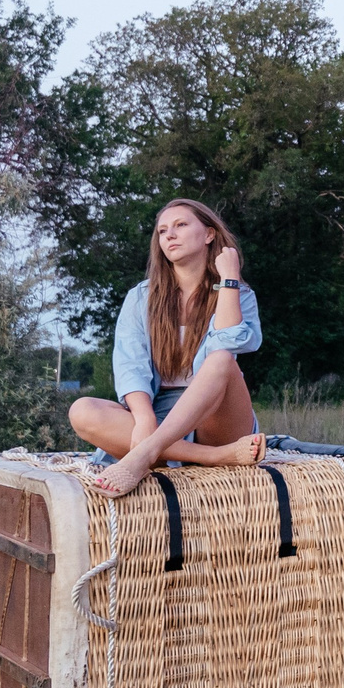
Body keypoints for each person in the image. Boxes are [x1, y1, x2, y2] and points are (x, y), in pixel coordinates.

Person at [69, 198, 267, 498]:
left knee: (222, 359)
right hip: (158, 412)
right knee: (82, 410)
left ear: (209, 234)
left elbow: (230, 342)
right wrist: (144, 419)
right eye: (162, 231)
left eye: (180, 225)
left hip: (216, 416)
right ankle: (212, 457)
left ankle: (145, 454)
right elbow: (130, 364)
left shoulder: (237, 292)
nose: (169, 235)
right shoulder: (141, 297)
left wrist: (229, 279)